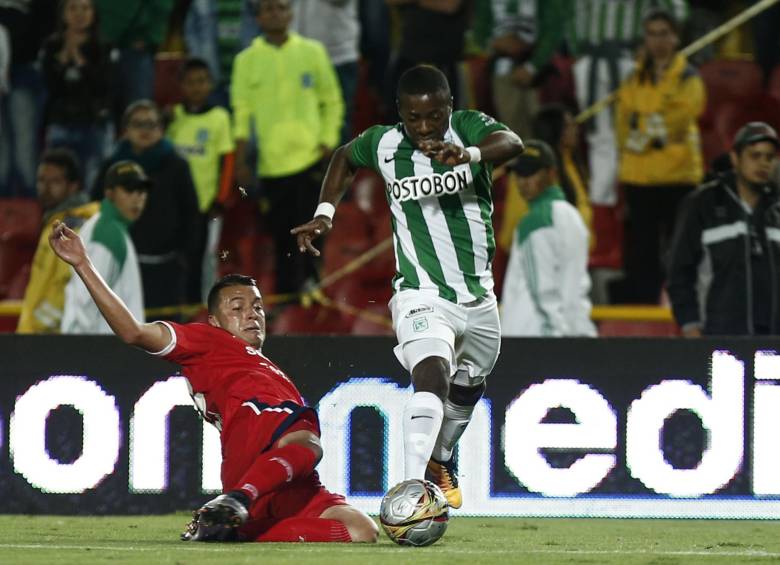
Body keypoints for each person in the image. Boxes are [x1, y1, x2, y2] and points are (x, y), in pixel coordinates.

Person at [48, 227, 378, 543]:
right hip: (258, 449)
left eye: (257, 307)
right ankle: (239, 499)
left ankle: (237, 531)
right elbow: (133, 331)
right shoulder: (207, 341)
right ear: (215, 321)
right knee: (307, 442)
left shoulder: (266, 366)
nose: (252, 314)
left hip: (291, 478)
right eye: (237, 308)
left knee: (362, 529)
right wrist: (83, 264)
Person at [292, 64, 524, 508]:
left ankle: (441, 457)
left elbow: (512, 143)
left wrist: (469, 155)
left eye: (434, 116)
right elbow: (344, 157)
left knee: (469, 383)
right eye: (414, 117)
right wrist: (325, 213)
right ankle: (410, 492)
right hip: (421, 293)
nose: (424, 127)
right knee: (431, 375)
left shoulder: (468, 128)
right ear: (400, 112)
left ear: (449, 106)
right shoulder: (384, 143)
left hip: (478, 297)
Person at [232, 0, 344, 295]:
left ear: (290, 13)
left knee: (315, 229)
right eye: (268, 9)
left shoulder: (312, 52)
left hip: (311, 158)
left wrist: (327, 141)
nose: (275, 14)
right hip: (272, 164)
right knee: (282, 236)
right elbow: (241, 114)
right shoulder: (246, 60)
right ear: (258, 17)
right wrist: (241, 160)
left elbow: (332, 100)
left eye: (281, 8)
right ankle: (289, 298)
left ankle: (314, 289)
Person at [615, 8, 704, 304]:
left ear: (676, 37)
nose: (658, 41)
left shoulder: (688, 77)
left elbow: (680, 120)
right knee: (642, 251)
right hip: (639, 177)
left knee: (681, 249)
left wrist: (644, 130)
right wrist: (653, 129)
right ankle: (645, 309)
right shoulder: (633, 77)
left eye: (664, 33)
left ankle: (683, 306)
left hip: (678, 175)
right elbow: (623, 123)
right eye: (652, 34)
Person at [668, 122, 780, 336]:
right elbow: (679, 272)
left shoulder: (777, 209)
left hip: (772, 344)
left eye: (769, 157)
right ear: (735, 158)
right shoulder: (703, 203)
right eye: (755, 156)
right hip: (719, 340)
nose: (763, 163)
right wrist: (690, 326)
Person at [93, 100, 202, 314]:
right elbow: (97, 210)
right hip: (118, 265)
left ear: (161, 129)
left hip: (166, 270)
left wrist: (184, 260)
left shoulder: (177, 166)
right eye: (138, 124)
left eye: (151, 124)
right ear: (126, 129)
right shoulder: (112, 166)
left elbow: (191, 216)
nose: (145, 130)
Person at [500, 140, 596, 337]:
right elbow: (578, 285)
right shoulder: (572, 215)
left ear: (551, 173)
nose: (522, 182)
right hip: (567, 331)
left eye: (530, 173)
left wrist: (552, 341)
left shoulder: (534, 221)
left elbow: (542, 292)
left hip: (533, 336)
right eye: (519, 174)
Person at [166, 57, 235, 300]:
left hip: (205, 205)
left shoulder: (219, 117)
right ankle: (178, 303)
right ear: (181, 85)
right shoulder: (173, 117)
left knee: (204, 257)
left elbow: (227, 161)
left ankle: (202, 304)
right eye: (191, 82)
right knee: (177, 256)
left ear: (211, 84)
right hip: (175, 204)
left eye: (202, 81)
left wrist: (221, 198)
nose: (196, 87)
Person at [17, 148, 99, 333]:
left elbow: (68, 287)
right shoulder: (55, 221)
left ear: (73, 186)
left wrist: (38, 328)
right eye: (41, 180)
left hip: (51, 336)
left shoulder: (72, 229)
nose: (45, 188)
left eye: (55, 181)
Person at [61, 160, 148, 334]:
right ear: (109, 193)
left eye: (141, 190)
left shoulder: (107, 226)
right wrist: (79, 346)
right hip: (99, 344)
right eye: (129, 190)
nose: (137, 198)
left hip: (103, 343)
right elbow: (87, 301)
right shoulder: (108, 233)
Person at [40, 0, 114, 190]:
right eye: (73, 8)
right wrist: (63, 57)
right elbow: (50, 86)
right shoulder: (51, 46)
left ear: (93, 13)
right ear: (63, 13)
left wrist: (79, 60)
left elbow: (103, 86)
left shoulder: (104, 47)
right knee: (58, 182)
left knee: (93, 183)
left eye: (85, 8)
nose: (79, 14)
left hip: (94, 123)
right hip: (61, 123)